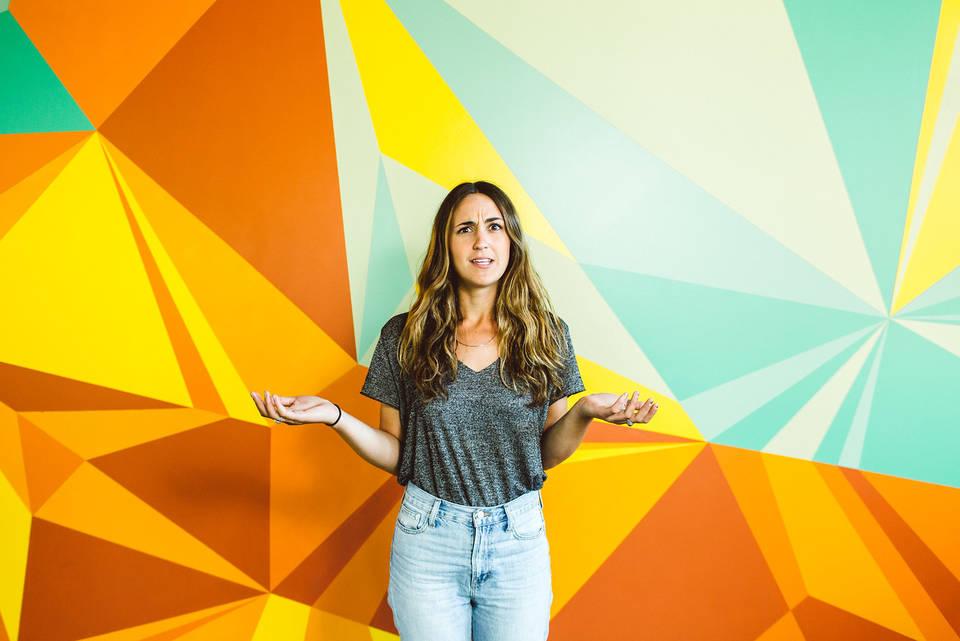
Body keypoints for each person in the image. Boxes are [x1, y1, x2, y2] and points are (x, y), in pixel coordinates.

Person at [250, 180, 659, 640]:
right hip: (428, 541)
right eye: (465, 229)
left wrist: (584, 410)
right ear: (446, 244)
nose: (481, 240)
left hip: (517, 543)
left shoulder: (546, 334)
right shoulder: (405, 336)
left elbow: (544, 455)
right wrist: (335, 417)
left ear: (511, 241)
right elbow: (397, 454)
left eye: (494, 227)